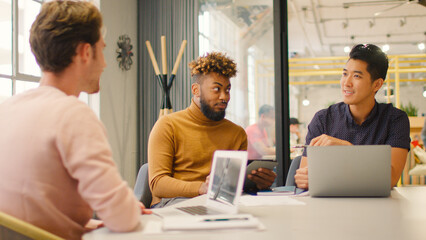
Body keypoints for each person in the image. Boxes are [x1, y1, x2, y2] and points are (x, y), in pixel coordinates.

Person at [0, 2, 150, 239]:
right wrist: (126, 209)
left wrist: (88, 223)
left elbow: (30, 211)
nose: (106, 63)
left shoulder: (6, 109)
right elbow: (123, 218)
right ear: (85, 52)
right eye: (103, 49)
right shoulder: (73, 115)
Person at [148, 52, 276, 208]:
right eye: (217, 89)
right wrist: (202, 188)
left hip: (220, 202)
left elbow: (232, 184)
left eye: (228, 90)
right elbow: (158, 184)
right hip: (174, 202)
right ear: (196, 90)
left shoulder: (236, 133)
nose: (224, 97)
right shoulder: (167, 125)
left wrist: (258, 183)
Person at [295, 44, 411, 190]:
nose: (346, 83)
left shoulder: (395, 120)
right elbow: (305, 176)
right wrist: (304, 178)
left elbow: (390, 178)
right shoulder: (323, 119)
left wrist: (347, 149)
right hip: (330, 206)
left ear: (377, 84)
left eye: (356, 76)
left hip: (377, 207)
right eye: (344, 74)